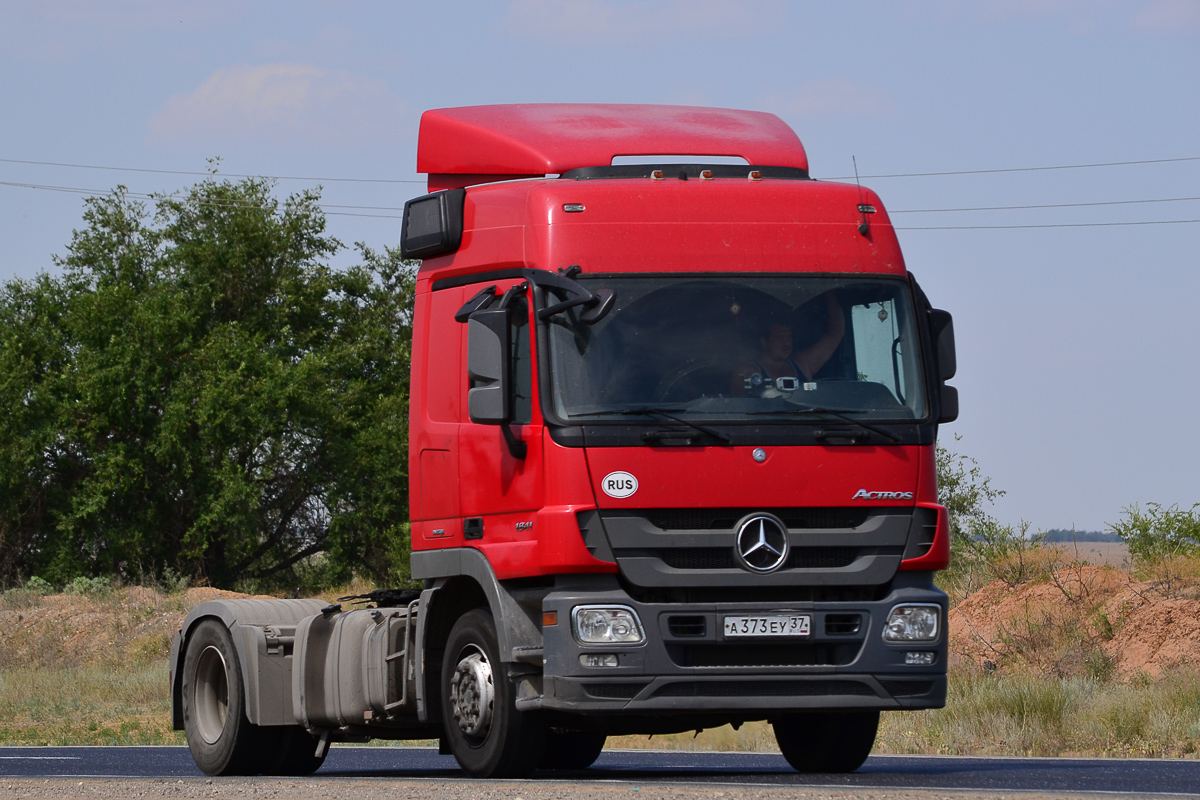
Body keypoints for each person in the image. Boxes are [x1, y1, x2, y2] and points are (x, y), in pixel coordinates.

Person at [732, 293, 845, 396]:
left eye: (789, 337)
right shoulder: (747, 373)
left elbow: (835, 334)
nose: (787, 342)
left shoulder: (803, 364)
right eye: (780, 337)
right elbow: (737, 410)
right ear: (764, 341)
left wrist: (828, 291)